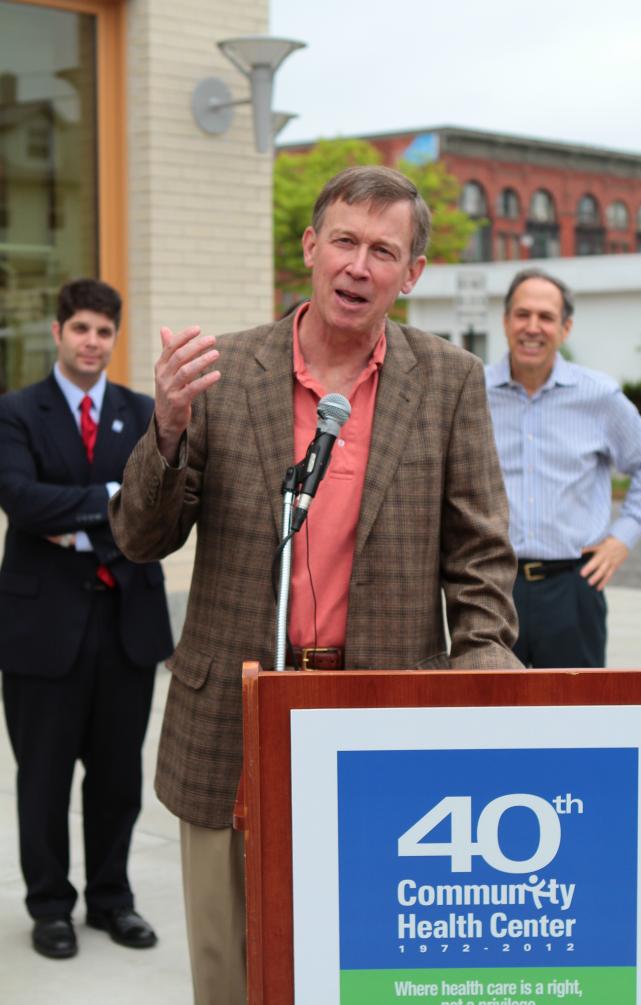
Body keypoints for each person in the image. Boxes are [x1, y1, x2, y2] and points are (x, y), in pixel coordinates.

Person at [109, 165, 522, 1004]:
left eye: (383, 250)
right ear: (309, 247)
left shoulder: (447, 381)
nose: (358, 265)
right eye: (344, 240)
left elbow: (478, 555)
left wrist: (484, 670)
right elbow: (142, 538)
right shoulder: (221, 372)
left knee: (364, 964)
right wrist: (168, 427)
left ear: (412, 274)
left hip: (380, 711)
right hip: (233, 712)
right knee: (231, 972)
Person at [0, 279, 174, 960]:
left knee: (116, 777)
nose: (93, 342)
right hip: (43, 632)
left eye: (104, 331)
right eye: (81, 329)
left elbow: (158, 510)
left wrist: (75, 518)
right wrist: (111, 500)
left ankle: (111, 899)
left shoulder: (144, 412)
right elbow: (20, 498)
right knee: (42, 777)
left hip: (126, 625)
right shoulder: (16, 412)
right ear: (57, 332)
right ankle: (49, 906)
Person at [486, 267, 641, 669]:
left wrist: (622, 539)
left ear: (565, 328)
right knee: (491, 718)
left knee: (576, 722)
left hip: (573, 590)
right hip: (492, 589)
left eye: (546, 317)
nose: (532, 327)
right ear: (505, 321)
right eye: (522, 314)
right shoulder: (474, 394)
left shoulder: (599, 396)